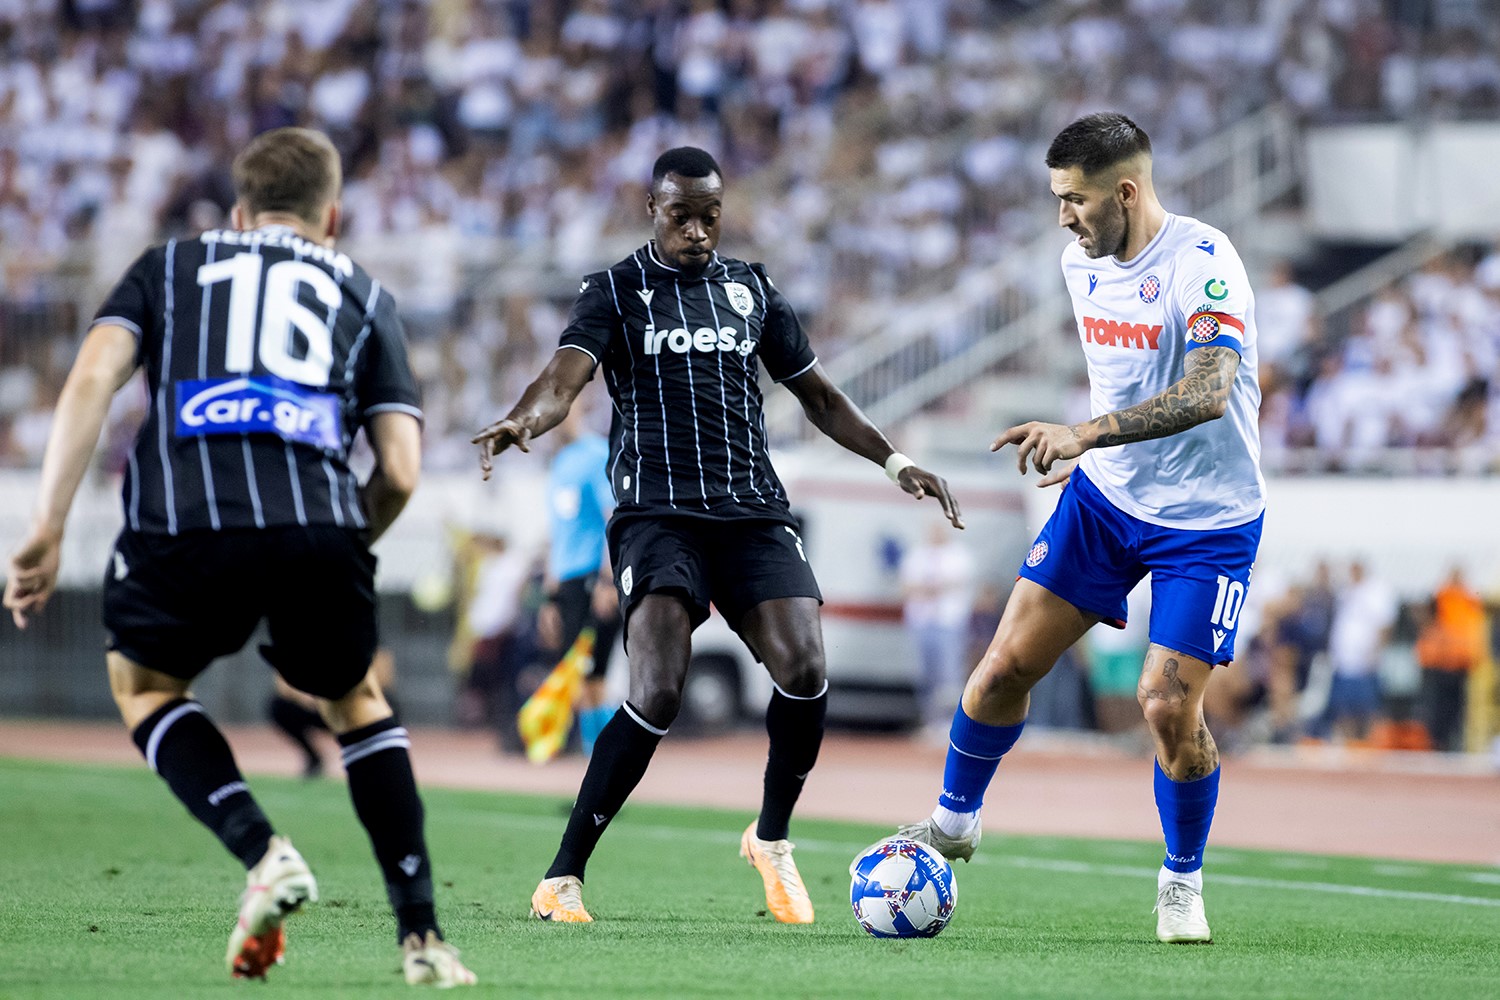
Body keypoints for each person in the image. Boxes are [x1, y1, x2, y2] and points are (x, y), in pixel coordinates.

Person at [1, 128, 474, 987]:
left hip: (184, 521)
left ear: (238, 211)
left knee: (144, 688)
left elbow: (90, 379)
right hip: (319, 522)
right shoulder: (365, 292)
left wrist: (47, 524)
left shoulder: (169, 265)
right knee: (356, 700)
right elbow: (400, 469)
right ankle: (424, 941)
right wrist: (341, 543)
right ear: (333, 216)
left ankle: (265, 852)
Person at [472, 146, 962, 926]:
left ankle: (771, 840)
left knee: (805, 669)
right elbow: (563, 380)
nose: (698, 232)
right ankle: (562, 876)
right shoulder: (615, 290)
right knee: (658, 689)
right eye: (681, 217)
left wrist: (897, 461)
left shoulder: (752, 289)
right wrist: (522, 421)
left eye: (710, 216)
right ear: (652, 211)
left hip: (752, 511)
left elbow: (821, 398)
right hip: (658, 516)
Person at [877, 113, 1266, 945]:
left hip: (1207, 521)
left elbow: (1206, 392)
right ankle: (952, 824)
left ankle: (1181, 881)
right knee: (999, 670)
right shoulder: (1078, 263)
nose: (1064, 217)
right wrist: (1089, 451)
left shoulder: (1205, 264)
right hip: (1106, 500)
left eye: (1075, 200)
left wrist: (1083, 433)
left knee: (1164, 705)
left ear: (1126, 192)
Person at [538, 402, 620, 756]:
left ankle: (603, 774)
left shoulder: (594, 454)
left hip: (591, 579)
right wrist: (550, 600)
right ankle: (598, 773)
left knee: (592, 680)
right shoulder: (560, 463)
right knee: (581, 681)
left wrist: (607, 580)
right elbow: (559, 534)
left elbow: (612, 517)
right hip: (569, 586)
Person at [900, 519, 976, 729]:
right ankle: (930, 720)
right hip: (922, 622)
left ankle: (949, 720)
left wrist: (927, 587)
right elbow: (907, 586)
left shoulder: (958, 554)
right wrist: (935, 587)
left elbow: (957, 583)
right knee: (924, 674)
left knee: (949, 673)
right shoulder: (917, 555)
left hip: (948, 623)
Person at [1415, 568, 1485, 751]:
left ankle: (1448, 742)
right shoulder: (1443, 595)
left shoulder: (1465, 597)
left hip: (1458, 660)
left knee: (1454, 706)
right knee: (1439, 705)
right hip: (1441, 658)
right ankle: (1438, 741)